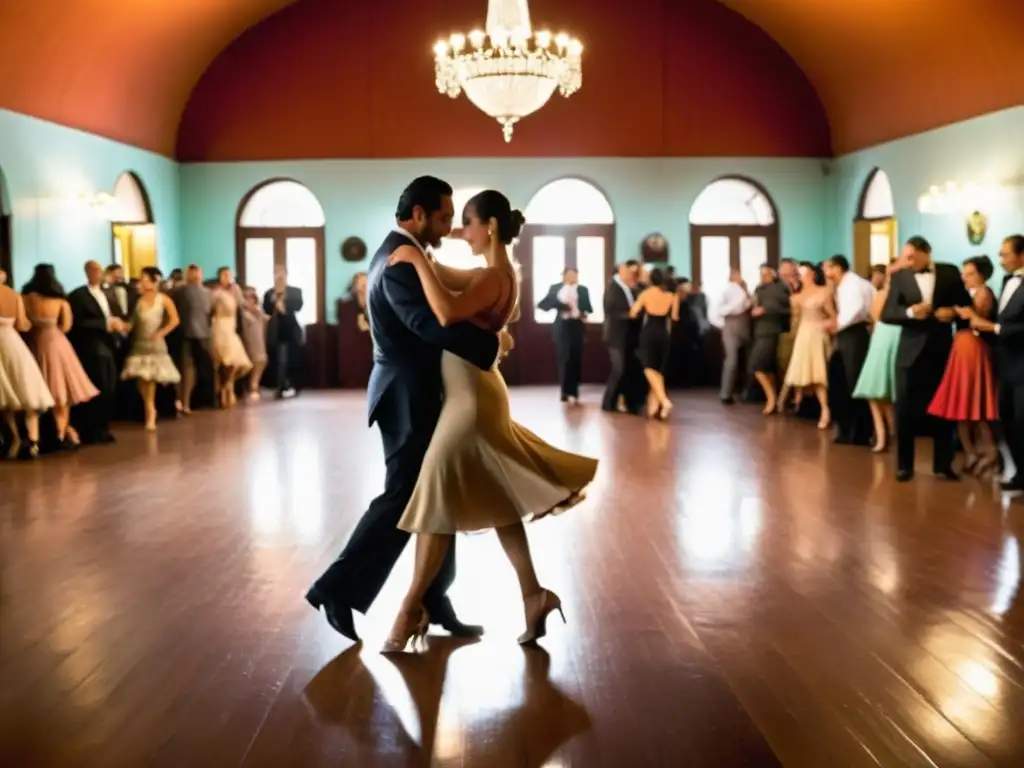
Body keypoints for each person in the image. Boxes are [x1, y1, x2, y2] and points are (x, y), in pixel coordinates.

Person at [382, 188, 598, 652]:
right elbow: (443, 272)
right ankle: (533, 595)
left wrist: (417, 263)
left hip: (471, 402)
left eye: (468, 223)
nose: (462, 231)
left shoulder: (493, 277)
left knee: (435, 497)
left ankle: (408, 610)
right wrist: (417, 254)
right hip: (472, 392)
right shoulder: (495, 273)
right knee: (497, 500)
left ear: (491, 227)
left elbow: (443, 311)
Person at [305, 177, 508, 644]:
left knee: (440, 493)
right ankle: (334, 589)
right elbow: (426, 324)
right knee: (403, 495)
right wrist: (490, 344)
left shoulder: (407, 252)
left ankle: (435, 599)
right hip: (405, 394)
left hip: (415, 391)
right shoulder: (398, 260)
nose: (450, 226)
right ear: (417, 214)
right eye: (442, 217)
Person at [882, 235, 970, 482]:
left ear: (926, 252)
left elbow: (967, 306)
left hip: (941, 350)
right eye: (905, 257)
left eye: (911, 257)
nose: (907, 262)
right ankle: (904, 466)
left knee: (943, 409)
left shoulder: (950, 272)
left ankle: (943, 464)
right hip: (909, 353)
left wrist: (952, 313)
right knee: (905, 409)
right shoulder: (900, 277)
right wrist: (910, 312)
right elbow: (887, 314)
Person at [963, 235, 1024, 491]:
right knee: (1007, 419)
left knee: (1022, 421)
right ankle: (1020, 473)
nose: (1000, 260)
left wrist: (994, 327)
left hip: (1022, 362)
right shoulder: (1007, 281)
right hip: (1006, 363)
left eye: (1004, 254)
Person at [929, 255, 999, 475]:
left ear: (981, 275)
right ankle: (971, 452)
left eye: (969, 273)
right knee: (960, 405)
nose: (964, 277)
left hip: (973, 349)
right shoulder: (966, 294)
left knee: (974, 405)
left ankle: (989, 451)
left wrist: (955, 312)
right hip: (961, 346)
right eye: (963, 273)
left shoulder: (983, 293)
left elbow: (977, 318)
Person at [21, 264, 99, 448]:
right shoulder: (60, 301)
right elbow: (67, 326)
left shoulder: (26, 299)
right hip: (57, 343)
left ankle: (35, 437)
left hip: (34, 343)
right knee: (62, 391)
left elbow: (23, 323)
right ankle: (61, 432)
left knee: (37, 390)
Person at [67, 261, 125, 444]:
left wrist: (118, 324)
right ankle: (91, 430)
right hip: (91, 347)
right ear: (87, 272)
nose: (97, 274)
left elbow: (113, 314)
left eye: (99, 270)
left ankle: (104, 427)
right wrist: (105, 325)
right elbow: (77, 323)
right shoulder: (78, 295)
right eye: (94, 270)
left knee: (110, 386)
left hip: (108, 345)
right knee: (97, 386)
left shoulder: (107, 293)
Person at [853, 257, 906, 453]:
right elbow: (875, 316)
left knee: (888, 393)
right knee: (874, 391)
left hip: (893, 338)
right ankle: (883, 435)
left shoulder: (905, 295)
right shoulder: (883, 293)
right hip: (881, 338)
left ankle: (892, 434)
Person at [120, 267, 181, 431]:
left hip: (155, 344)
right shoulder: (138, 301)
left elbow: (175, 320)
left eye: (145, 279)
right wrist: (121, 326)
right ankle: (149, 406)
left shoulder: (163, 299)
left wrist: (161, 333)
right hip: (140, 343)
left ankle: (150, 410)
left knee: (151, 378)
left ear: (154, 281)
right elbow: (132, 323)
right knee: (141, 378)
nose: (142, 282)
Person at [0, 276, 54, 459]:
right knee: (27, 391)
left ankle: (14, 439)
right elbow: (23, 325)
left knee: (6, 397)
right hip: (13, 343)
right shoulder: (14, 295)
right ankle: (33, 441)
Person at [825, 254, 876, 445]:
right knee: (841, 379)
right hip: (850, 334)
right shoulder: (850, 284)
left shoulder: (853, 285)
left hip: (853, 334)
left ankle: (859, 432)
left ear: (838, 268)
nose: (826, 273)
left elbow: (855, 310)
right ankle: (848, 429)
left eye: (828, 269)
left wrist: (836, 324)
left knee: (853, 382)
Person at [778, 262, 833, 428]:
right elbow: (794, 319)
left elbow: (832, 314)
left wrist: (829, 325)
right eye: (800, 275)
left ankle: (825, 410)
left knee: (818, 373)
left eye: (805, 274)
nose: (802, 277)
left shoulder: (824, 292)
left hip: (818, 333)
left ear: (812, 275)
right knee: (803, 373)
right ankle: (797, 402)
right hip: (803, 334)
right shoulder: (797, 297)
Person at [628, 267, 679, 418]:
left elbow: (633, 312)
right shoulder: (672, 295)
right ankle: (658, 407)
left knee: (648, 367)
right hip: (664, 333)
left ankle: (664, 401)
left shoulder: (645, 294)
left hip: (649, 333)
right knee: (658, 369)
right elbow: (675, 317)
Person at [537, 267, 593, 404]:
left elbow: (589, 308)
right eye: (570, 274)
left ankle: (574, 392)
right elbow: (543, 305)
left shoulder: (582, 289)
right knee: (564, 359)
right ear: (564, 276)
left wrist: (582, 313)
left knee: (576, 358)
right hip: (562, 327)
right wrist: (561, 305)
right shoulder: (556, 288)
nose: (572, 277)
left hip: (577, 326)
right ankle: (565, 392)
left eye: (575, 274)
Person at [749, 264, 790, 415]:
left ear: (773, 274)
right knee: (767, 367)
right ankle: (775, 399)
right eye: (761, 274)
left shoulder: (781, 289)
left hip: (772, 331)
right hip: (759, 331)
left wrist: (767, 310)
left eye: (766, 274)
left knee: (756, 366)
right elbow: (755, 305)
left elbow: (788, 309)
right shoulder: (758, 289)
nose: (763, 277)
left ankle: (771, 398)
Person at [601, 261, 642, 413]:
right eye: (628, 271)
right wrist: (628, 315)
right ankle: (608, 403)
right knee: (618, 369)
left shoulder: (629, 288)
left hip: (628, 336)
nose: (631, 274)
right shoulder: (613, 287)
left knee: (627, 370)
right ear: (621, 271)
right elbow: (610, 310)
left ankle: (625, 402)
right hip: (615, 336)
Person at [210, 267, 253, 408]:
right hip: (219, 325)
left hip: (231, 326)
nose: (227, 277)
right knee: (223, 360)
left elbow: (242, 306)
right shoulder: (215, 292)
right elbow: (211, 309)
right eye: (224, 275)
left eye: (229, 275)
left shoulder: (236, 290)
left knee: (235, 360)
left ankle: (229, 386)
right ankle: (222, 390)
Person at [263, 265, 304, 398]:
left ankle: (294, 385)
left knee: (293, 358)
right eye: (276, 273)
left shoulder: (295, 291)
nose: (279, 276)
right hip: (275, 329)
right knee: (278, 359)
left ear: (286, 275)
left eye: (282, 274)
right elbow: (266, 310)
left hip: (291, 328)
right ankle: (279, 386)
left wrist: (284, 300)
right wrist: (275, 299)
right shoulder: (269, 293)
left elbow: (298, 306)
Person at [715, 268, 751, 404]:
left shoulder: (740, 290)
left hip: (735, 324)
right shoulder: (731, 290)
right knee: (735, 360)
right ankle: (731, 392)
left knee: (734, 360)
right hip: (735, 323)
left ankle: (728, 392)